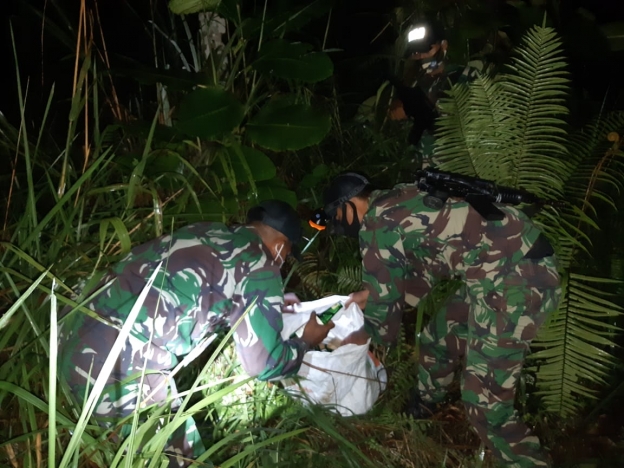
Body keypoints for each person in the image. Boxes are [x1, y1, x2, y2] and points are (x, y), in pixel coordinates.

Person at [58, 199, 334, 467]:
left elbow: (203, 292)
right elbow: (264, 365)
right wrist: (306, 341)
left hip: (71, 334)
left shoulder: (206, 231)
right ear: (278, 247)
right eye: (286, 256)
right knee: (185, 459)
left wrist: (271, 304)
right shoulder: (262, 265)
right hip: (121, 371)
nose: (283, 263)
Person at [321, 172, 561, 468]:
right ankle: (425, 405)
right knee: (440, 336)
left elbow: (384, 309)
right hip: (507, 268)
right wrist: (371, 296)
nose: (343, 226)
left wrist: (364, 338)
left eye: (337, 218)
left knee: (485, 406)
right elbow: (428, 269)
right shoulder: (400, 197)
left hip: (515, 282)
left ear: (348, 206)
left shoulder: (376, 222)